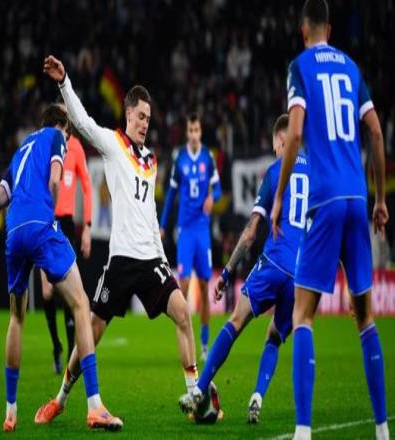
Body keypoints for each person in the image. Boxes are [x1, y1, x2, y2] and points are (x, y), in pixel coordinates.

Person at [34, 55, 198, 425]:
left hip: (151, 260)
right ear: (128, 114)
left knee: (182, 312)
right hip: (122, 261)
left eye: (148, 119)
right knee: (91, 333)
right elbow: (82, 122)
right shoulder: (112, 143)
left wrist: (163, 257)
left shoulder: (151, 160)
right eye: (140, 117)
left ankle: (194, 395)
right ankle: (61, 398)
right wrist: (64, 83)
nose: (145, 124)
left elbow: (151, 214)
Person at [270, 1, 389, 439]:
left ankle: (303, 432)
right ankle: (382, 429)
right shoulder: (352, 68)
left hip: (323, 200)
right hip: (357, 198)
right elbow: (375, 130)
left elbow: (296, 131)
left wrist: (280, 195)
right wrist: (380, 198)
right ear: (330, 30)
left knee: (302, 315)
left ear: (304, 31)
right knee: (366, 318)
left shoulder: (300, 66)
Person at [0, 104, 122, 432]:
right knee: (81, 303)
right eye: (68, 136)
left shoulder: (20, 151)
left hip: (13, 232)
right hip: (42, 226)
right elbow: (56, 181)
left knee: (16, 318)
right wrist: (50, 219)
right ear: (61, 126)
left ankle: (11, 411)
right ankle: (94, 406)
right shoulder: (55, 137)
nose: (68, 143)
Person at [179, 114, 309, 424]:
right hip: (300, 274)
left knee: (236, 321)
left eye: (275, 144)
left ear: (281, 140)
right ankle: (257, 397)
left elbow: (251, 231)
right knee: (274, 337)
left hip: (273, 262)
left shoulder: (276, 170)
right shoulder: (316, 175)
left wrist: (226, 273)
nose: (275, 149)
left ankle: (198, 390)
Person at [160, 113, 222, 360]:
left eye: (197, 130)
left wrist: (212, 197)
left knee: (205, 286)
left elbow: (218, 189)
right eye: (191, 130)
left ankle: (204, 344)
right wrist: (163, 226)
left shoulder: (208, 157)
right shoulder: (180, 159)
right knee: (183, 286)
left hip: (202, 230)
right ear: (187, 133)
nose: (194, 134)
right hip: (185, 230)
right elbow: (170, 195)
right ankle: (185, 339)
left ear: (200, 132)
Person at [39, 111, 93, 374]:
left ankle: (72, 353)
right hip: (46, 221)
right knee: (47, 292)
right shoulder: (46, 146)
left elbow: (88, 187)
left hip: (67, 224)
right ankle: (56, 346)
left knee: (69, 290)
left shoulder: (76, 148)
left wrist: (88, 227)